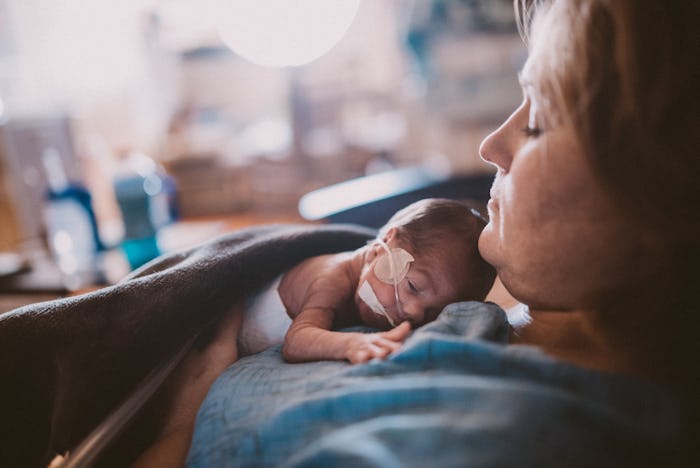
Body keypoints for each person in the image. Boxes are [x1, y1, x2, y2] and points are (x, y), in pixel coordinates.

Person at [184, 1, 698, 466]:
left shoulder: (516, 436)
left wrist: (182, 416)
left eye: (539, 121)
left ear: (666, 192)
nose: (491, 145)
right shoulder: (470, 319)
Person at [238, 197, 496, 364]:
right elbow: (296, 342)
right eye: (413, 286)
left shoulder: (386, 297)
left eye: (432, 313)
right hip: (235, 319)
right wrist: (352, 343)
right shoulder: (333, 278)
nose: (413, 313)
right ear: (382, 246)